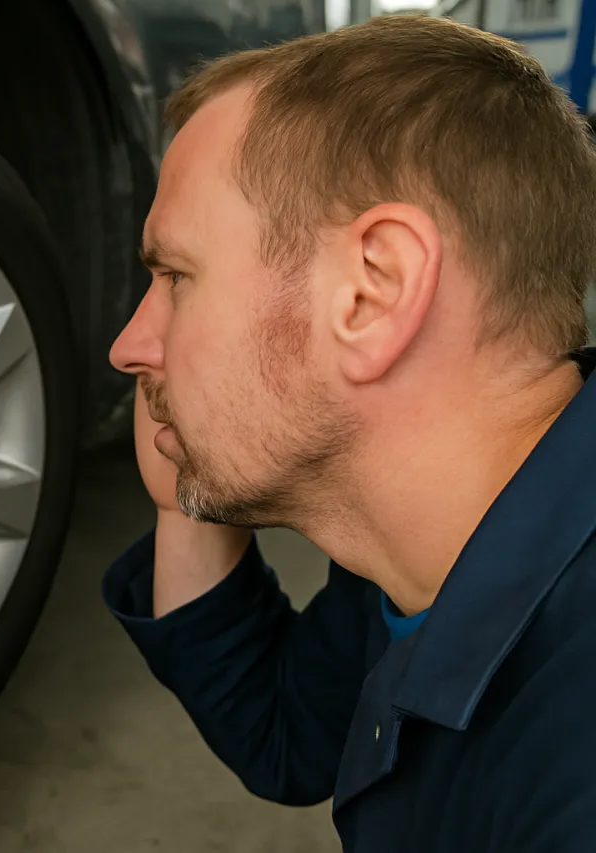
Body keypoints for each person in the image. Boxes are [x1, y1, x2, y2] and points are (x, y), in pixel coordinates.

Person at [103, 13, 596, 853]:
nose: (128, 348)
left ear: (374, 292)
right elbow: (294, 737)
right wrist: (191, 470)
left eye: (177, 276)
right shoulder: (434, 533)